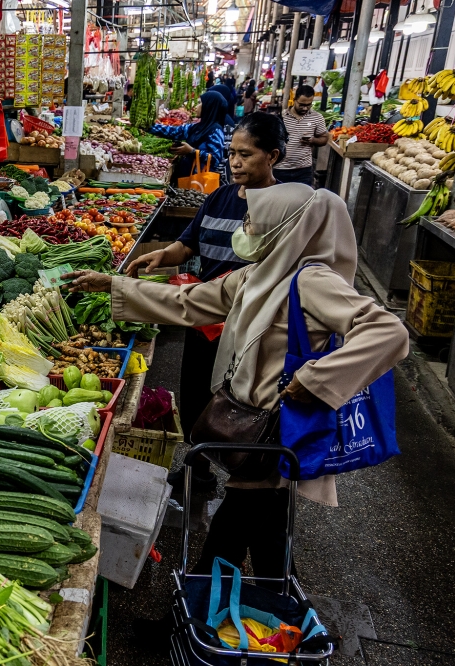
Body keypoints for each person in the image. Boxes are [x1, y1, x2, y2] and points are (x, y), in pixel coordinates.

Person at [64, 183, 408, 648]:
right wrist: (116, 285)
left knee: (234, 527)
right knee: (266, 535)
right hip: (250, 425)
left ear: (287, 228)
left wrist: (318, 379)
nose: (246, 231)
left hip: (274, 429)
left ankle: (190, 626)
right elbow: (189, 303)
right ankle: (290, 624)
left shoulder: (311, 282)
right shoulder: (257, 275)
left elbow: (388, 331)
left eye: (254, 223)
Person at [126, 112, 286, 489]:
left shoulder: (284, 209)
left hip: (248, 329)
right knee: (197, 396)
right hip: (203, 321)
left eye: (245, 155)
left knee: (238, 405)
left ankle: (244, 476)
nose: (234, 162)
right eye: (232, 153)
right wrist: (162, 255)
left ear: (273, 157)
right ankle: (199, 470)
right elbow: (188, 244)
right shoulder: (219, 198)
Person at [150, 90, 229, 184]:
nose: (196, 106)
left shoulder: (215, 131)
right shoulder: (196, 127)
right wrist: (146, 126)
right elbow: (173, 131)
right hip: (187, 176)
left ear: (209, 107)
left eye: (200, 103)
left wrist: (191, 151)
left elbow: (215, 159)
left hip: (200, 181)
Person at [274, 84, 330, 187]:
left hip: (304, 171)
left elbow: (324, 138)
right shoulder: (281, 117)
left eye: (309, 105)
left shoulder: (317, 118)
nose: (305, 108)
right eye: (301, 104)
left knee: (303, 201)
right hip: (279, 169)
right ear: (294, 100)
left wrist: (313, 141)